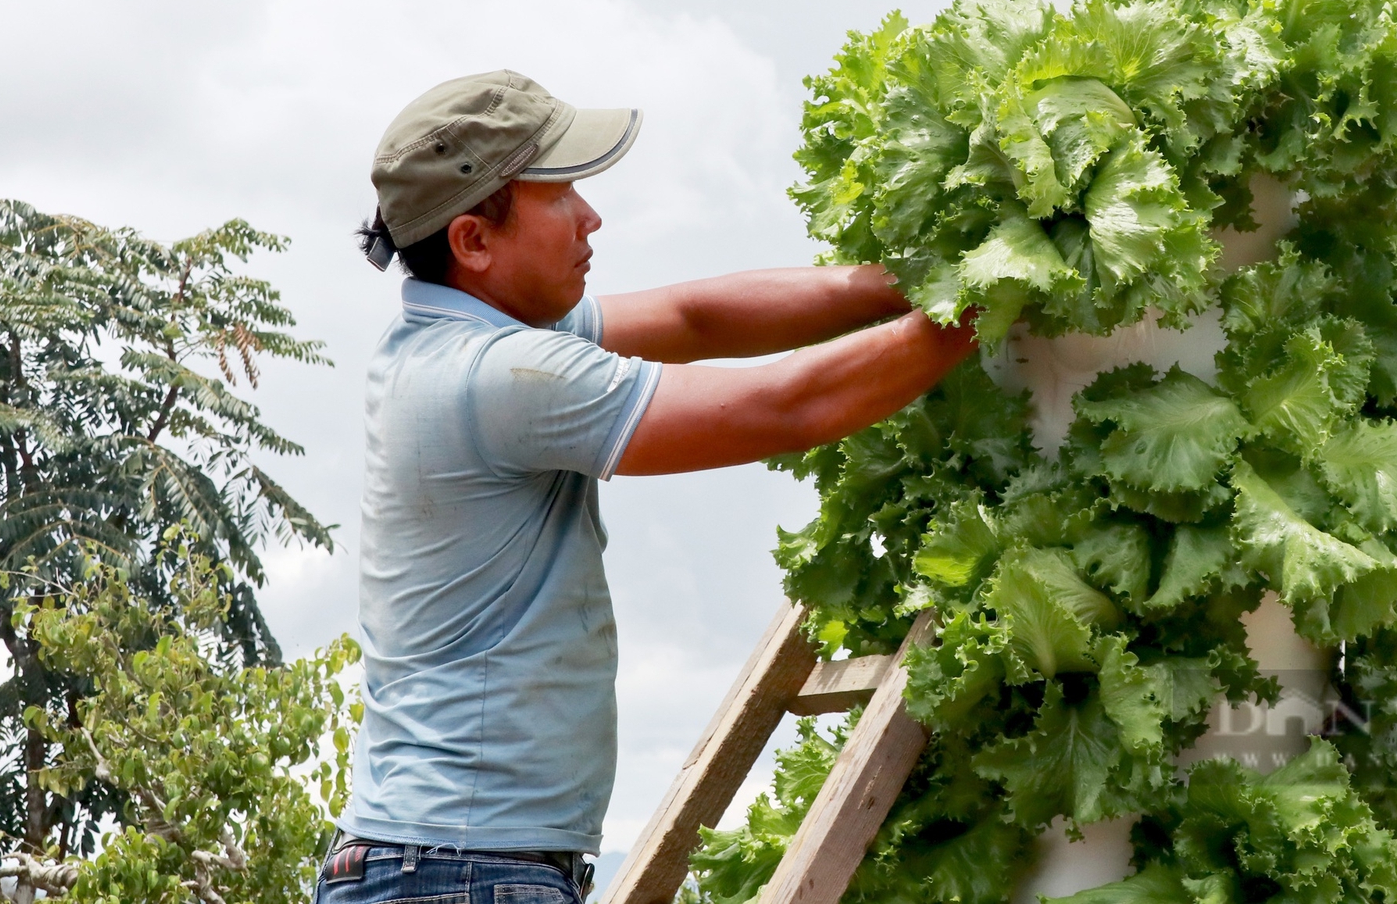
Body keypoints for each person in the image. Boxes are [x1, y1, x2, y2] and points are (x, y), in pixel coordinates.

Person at [321, 70, 976, 903]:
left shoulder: (447, 334)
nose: (591, 215)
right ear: (473, 241)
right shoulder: (497, 375)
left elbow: (695, 318)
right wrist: (978, 298)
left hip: (434, 859)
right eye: (557, 194)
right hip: (462, 868)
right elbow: (784, 406)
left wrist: (897, 284)